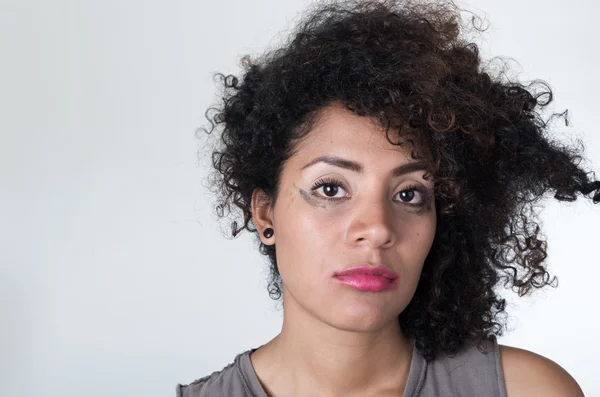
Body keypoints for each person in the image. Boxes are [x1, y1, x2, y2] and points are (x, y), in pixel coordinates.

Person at [178, 0, 598, 396]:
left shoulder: (530, 390)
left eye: (409, 194)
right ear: (265, 213)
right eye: (330, 188)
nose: (377, 228)